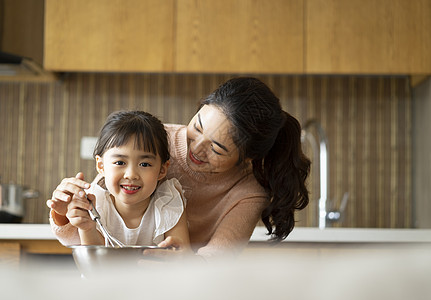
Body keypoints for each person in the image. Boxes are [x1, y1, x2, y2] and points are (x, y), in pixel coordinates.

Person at [48, 77, 310, 259]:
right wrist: (65, 213)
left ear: (248, 159)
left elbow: (218, 258)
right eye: (196, 127)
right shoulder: (152, 142)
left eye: (217, 149)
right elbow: (99, 225)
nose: (196, 148)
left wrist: (184, 263)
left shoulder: (249, 192)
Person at [47, 110, 190, 249]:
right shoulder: (94, 202)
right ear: (101, 166)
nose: (131, 175)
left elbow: (181, 255)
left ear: (162, 170)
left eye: (144, 164)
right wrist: (87, 228)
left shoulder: (168, 201)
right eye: (120, 162)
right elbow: (98, 265)